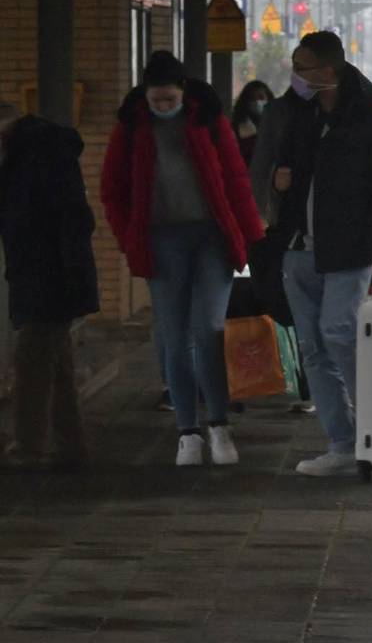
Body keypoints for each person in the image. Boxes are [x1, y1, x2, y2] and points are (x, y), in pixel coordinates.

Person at [100, 53, 262, 466]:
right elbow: (112, 188)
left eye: (170, 99)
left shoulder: (208, 119)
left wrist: (252, 238)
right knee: (175, 336)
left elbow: (236, 179)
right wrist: (128, 237)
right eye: (157, 100)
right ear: (145, 94)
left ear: (183, 91)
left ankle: (219, 424)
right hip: (161, 240)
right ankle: (188, 431)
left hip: (211, 237)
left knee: (208, 327)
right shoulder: (132, 126)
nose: (164, 106)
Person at [266, 31, 372, 477]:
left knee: (339, 332)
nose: (297, 76)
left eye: (303, 68)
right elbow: (285, 169)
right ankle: (343, 442)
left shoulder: (370, 122)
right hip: (298, 250)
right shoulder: (302, 116)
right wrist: (280, 182)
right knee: (312, 348)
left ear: (328, 72)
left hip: (348, 250)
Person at [2, 102, 98, 471]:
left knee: (31, 360)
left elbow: (70, 218)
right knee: (55, 362)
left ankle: (28, 445)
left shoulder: (39, 156)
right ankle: (70, 445)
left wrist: (72, 274)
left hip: (50, 273)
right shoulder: (28, 156)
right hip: (41, 271)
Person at [231, 80, 273, 164]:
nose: (257, 102)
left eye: (261, 97)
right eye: (252, 98)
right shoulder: (237, 127)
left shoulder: (277, 124)